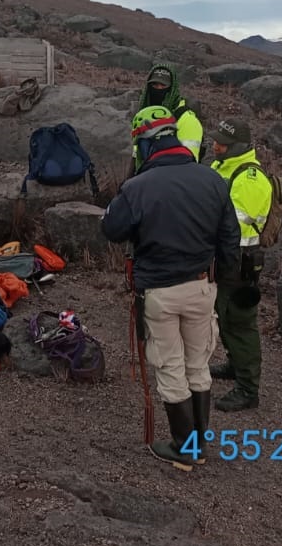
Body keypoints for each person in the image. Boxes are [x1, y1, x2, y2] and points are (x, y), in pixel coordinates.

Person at [102, 106, 242, 471]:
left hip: (159, 292)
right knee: (198, 365)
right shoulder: (213, 180)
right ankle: (198, 445)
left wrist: (129, 186)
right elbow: (230, 238)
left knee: (170, 367)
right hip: (202, 287)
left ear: (145, 144)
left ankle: (185, 448)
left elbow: (112, 229)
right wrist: (224, 281)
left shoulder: (137, 187)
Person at [207, 117, 273, 412]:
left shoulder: (250, 179)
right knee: (225, 318)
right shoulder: (223, 167)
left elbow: (234, 223)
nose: (215, 145)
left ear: (239, 146)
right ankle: (235, 365)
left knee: (239, 323)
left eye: (222, 142)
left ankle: (248, 389)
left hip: (239, 261)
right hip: (225, 257)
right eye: (216, 140)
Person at [134, 63, 203, 169]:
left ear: (172, 88)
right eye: (154, 85)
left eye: (163, 86)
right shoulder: (143, 116)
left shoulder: (186, 119)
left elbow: (188, 164)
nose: (158, 89)